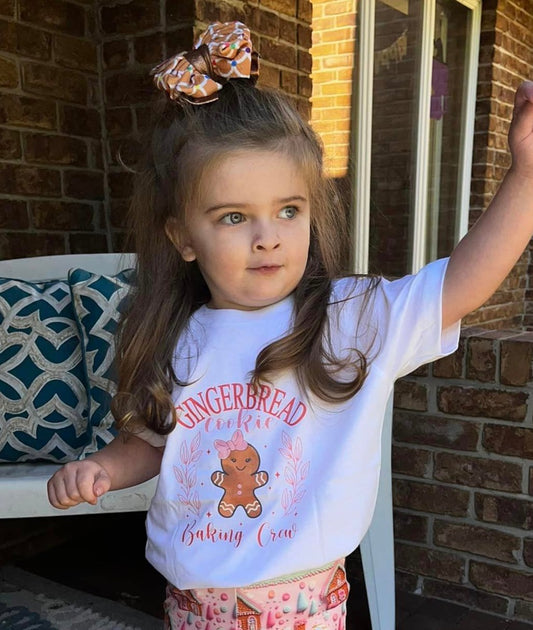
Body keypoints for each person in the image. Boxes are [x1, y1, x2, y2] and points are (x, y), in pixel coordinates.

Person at [47, 21, 533, 630]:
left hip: (305, 609)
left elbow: (462, 283)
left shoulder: (349, 319)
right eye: (233, 217)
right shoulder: (177, 336)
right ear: (183, 237)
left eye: (288, 210)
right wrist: (103, 468)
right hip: (193, 608)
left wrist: (525, 177)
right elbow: (151, 442)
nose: (267, 236)